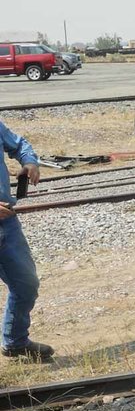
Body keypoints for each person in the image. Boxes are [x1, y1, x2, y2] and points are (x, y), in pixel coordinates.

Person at [0, 121, 53, 361]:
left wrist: (29, 162)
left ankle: (15, 342)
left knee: (26, 284)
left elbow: (19, 145)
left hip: (6, 223)